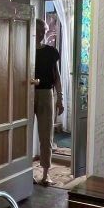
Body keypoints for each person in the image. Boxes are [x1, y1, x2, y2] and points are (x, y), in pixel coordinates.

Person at [31, 19, 64, 186]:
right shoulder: (25, 50)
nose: (40, 34)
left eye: (43, 31)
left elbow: (56, 76)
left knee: (46, 135)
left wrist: (60, 99)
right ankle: (25, 173)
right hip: (27, 93)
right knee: (24, 134)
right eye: (37, 30)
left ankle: (45, 174)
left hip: (46, 94)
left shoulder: (51, 52)